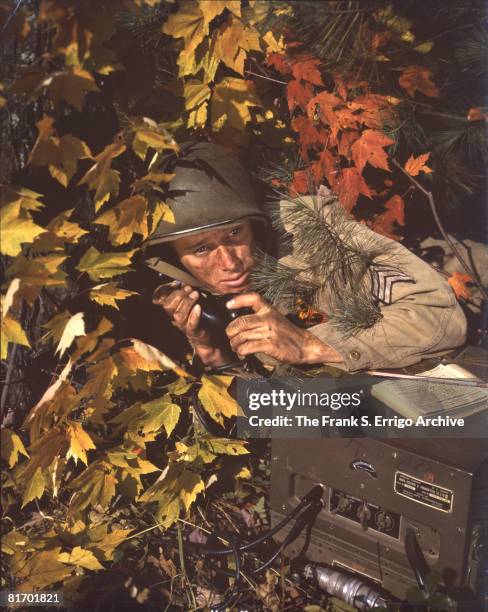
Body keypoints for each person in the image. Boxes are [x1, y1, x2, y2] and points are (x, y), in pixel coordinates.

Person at [142, 141, 467, 373]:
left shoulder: (314, 231)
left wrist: (309, 345)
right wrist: (209, 350)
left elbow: (438, 313)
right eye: (201, 249)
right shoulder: (187, 294)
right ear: (173, 258)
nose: (229, 263)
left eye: (235, 234)